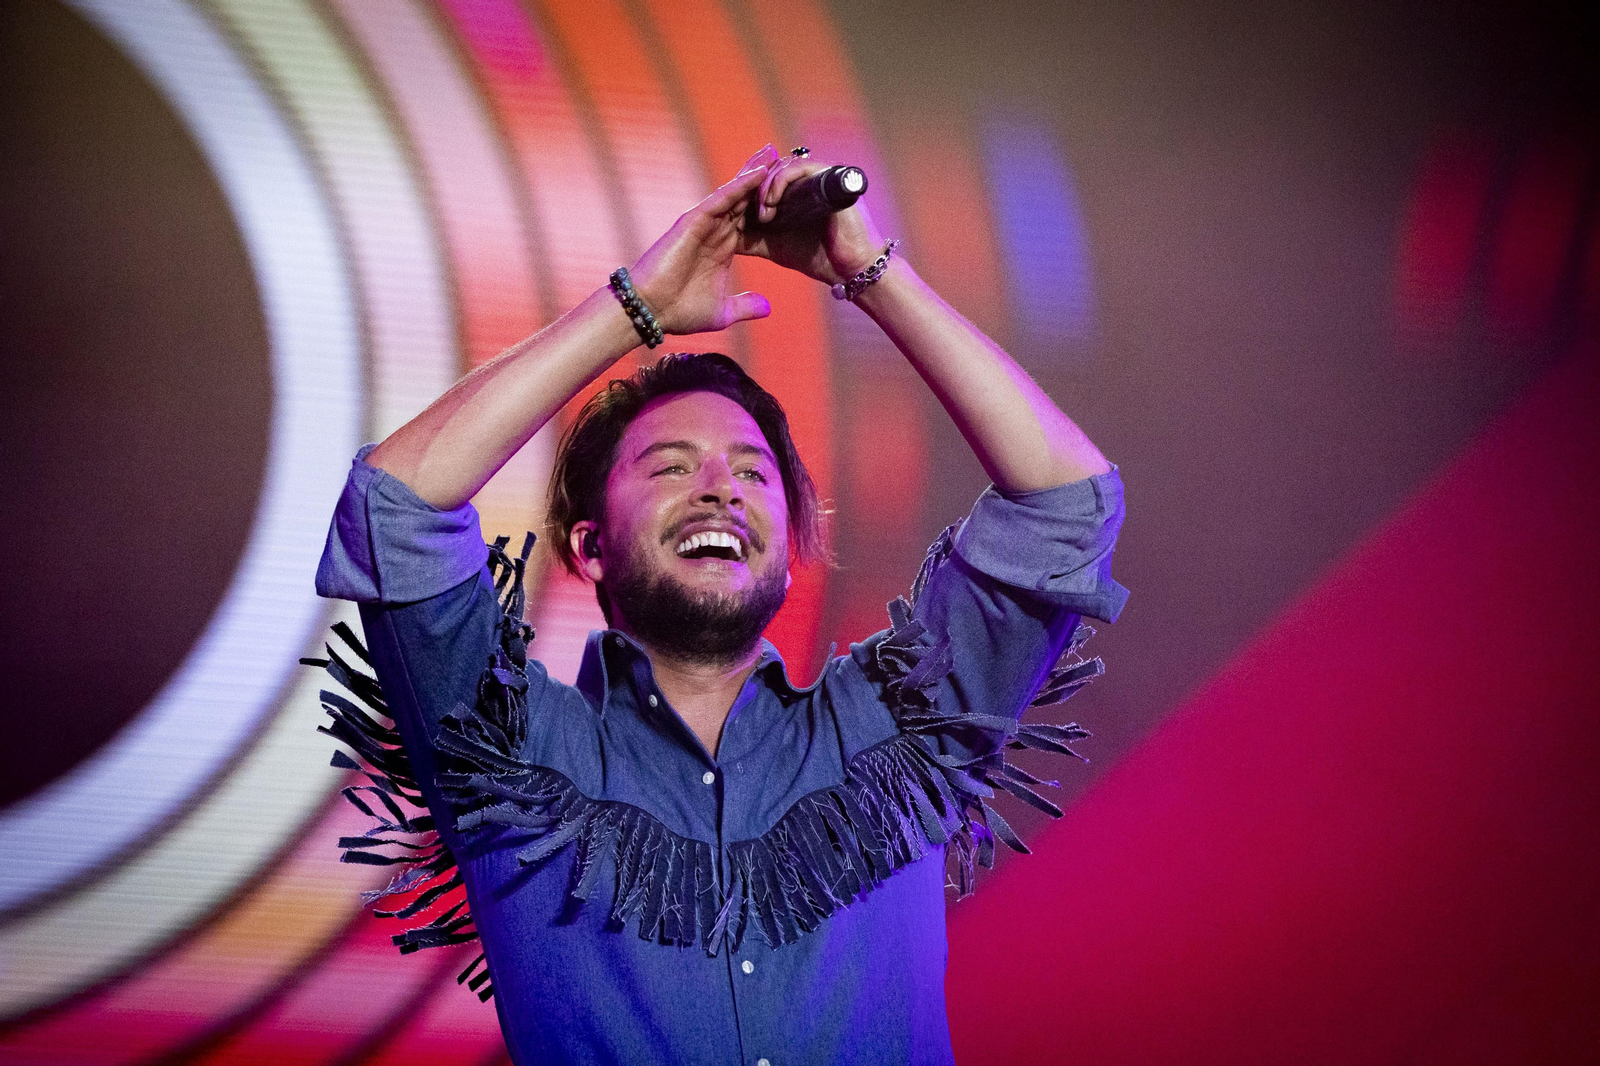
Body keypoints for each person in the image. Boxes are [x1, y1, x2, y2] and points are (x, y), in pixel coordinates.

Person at [311, 143, 1127, 1066]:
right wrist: (635, 312)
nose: (719, 490)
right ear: (591, 547)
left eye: (752, 472)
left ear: (790, 550)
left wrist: (870, 275)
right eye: (669, 467)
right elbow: (394, 509)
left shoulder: (898, 730)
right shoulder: (508, 752)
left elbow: (1068, 501)